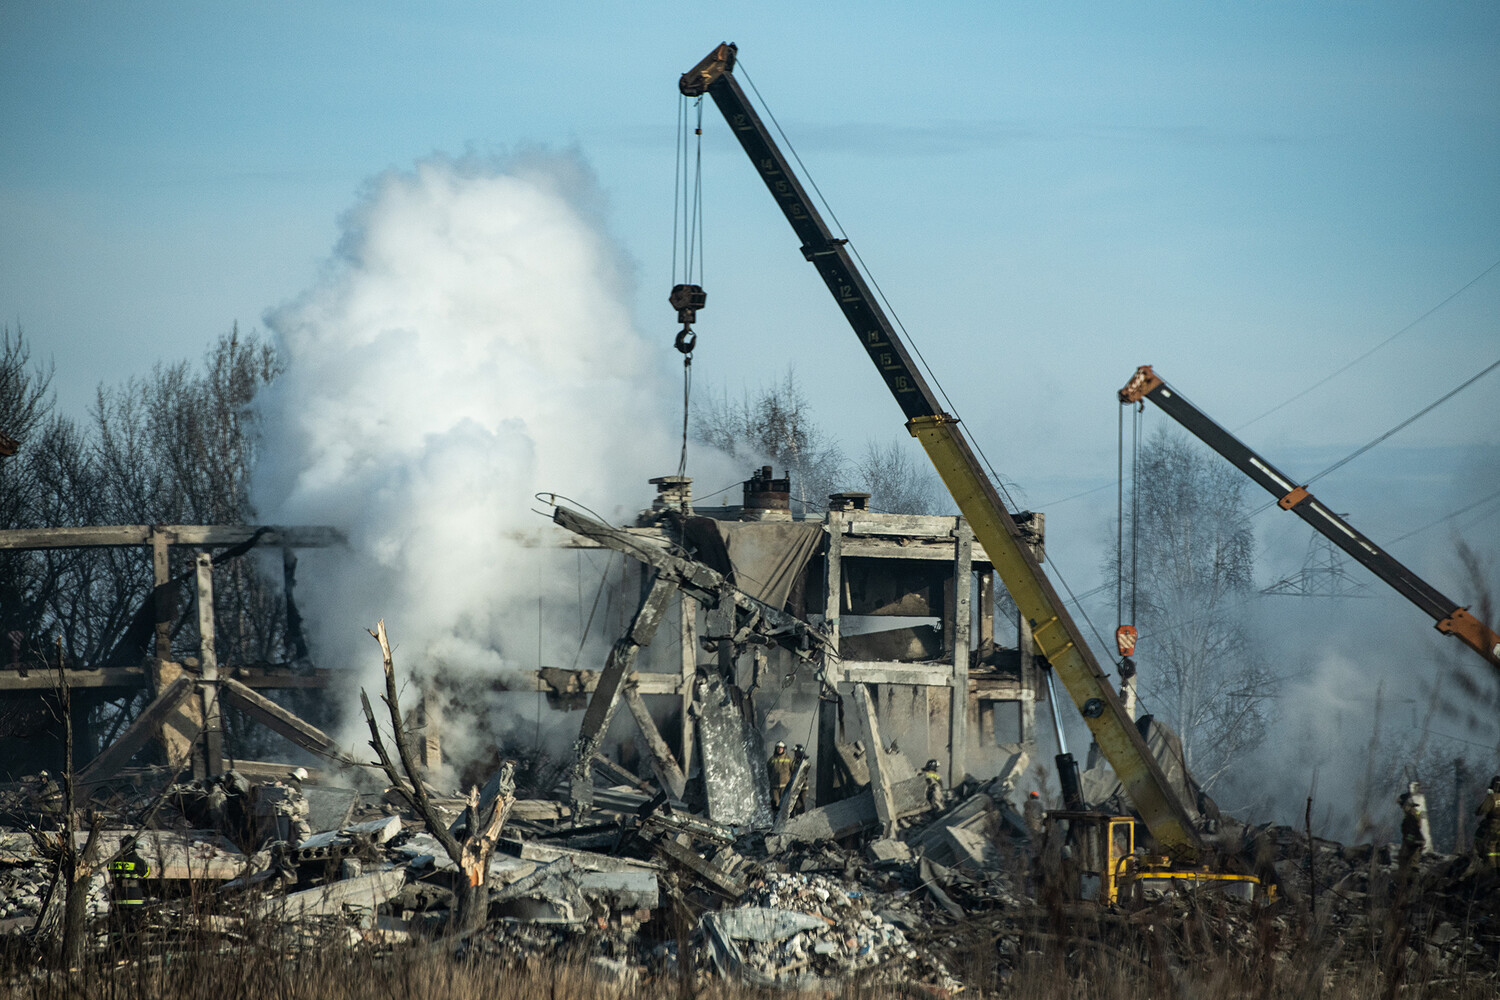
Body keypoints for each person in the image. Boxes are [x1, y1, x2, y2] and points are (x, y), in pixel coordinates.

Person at [1475, 776, 1500, 871]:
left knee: (1491, 846)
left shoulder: (1492, 797)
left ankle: (1492, 869)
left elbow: (1482, 810)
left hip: (1494, 826)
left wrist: (1477, 811)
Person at [1398, 791, 1426, 872]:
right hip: (1412, 841)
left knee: (1409, 863)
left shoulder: (1412, 814)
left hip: (1412, 842)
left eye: (1402, 805)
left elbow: (1413, 829)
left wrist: (1409, 840)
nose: (1401, 808)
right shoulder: (1412, 814)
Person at [767, 741, 794, 811]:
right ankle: (776, 820)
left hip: (785, 786)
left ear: (784, 749)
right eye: (778, 748)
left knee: (784, 805)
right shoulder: (772, 759)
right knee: (775, 805)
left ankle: (785, 821)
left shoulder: (788, 759)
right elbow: (768, 771)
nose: (779, 749)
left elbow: (793, 770)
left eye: (781, 748)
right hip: (774, 787)